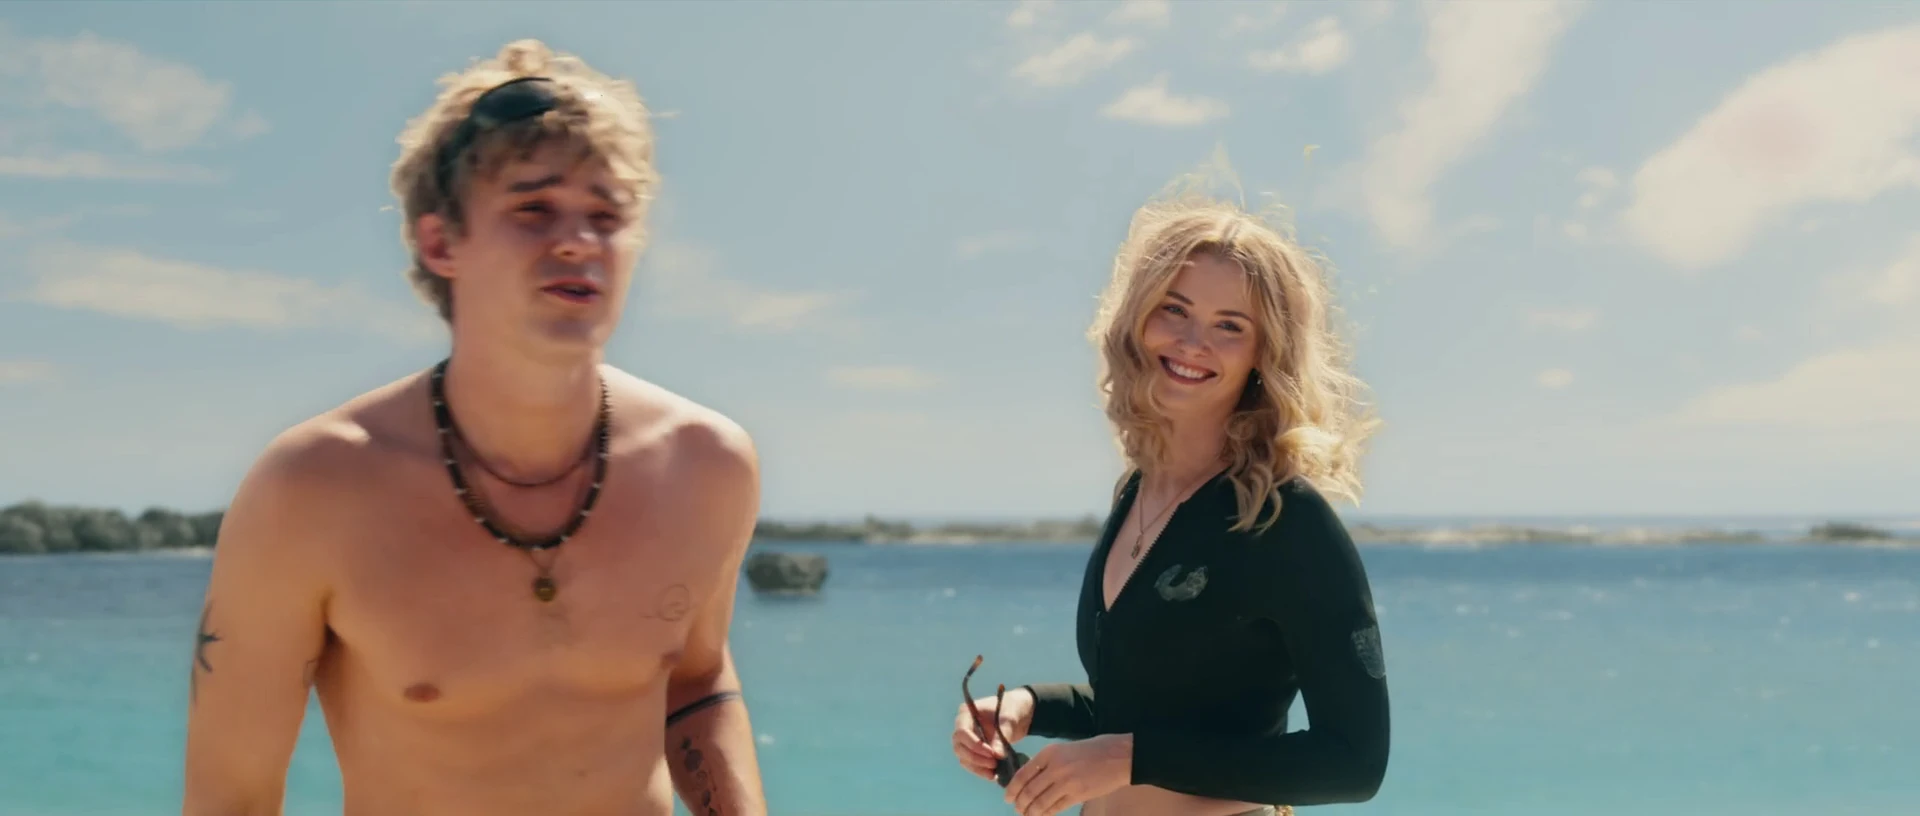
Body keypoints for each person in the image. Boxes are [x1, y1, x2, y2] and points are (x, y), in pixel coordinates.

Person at [182, 40, 768, 816]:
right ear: (440, 243)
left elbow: (696, 678)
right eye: (533, 209)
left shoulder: (705, 465)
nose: (578, 241)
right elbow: (232, 798)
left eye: (606, 216)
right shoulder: (315, 490)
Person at [951, 182, 1391, 816]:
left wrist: (1128, 759)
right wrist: (1029, 706)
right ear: (1139, 319)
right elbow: (1155, 707)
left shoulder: (1286, 521)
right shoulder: (1140, 490)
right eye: (1175, 309)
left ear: (1264, 352)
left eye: (1229, 326)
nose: (1192, 341)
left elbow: (1353, 765)